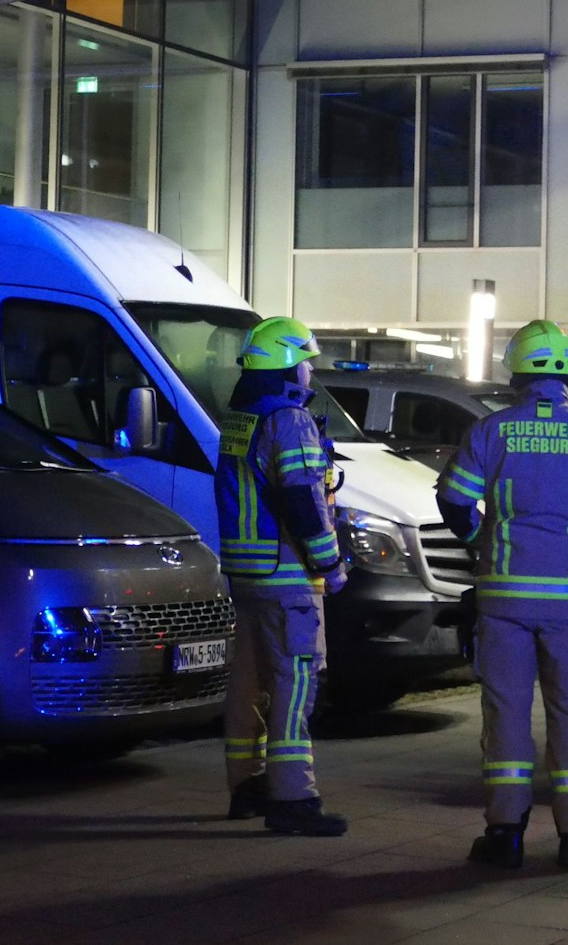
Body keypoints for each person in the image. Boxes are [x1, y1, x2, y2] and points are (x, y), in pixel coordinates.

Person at [437, 320, 568, 869]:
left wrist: (479, 538)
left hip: (503, 598)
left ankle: (504, 833)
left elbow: (455, 500)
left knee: (505, 712)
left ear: (516, 372)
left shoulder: (492, 431)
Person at [216, 316, 349, 837]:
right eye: (306, 360)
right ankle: (293, 800)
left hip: (245, 573)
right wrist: (329, 565)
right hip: (286, 574)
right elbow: (301, 498)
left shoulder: (240, 417)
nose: (311, 369)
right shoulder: (290, 420)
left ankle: (245, 787)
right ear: (288, 365)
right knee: (294, 687)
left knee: (247, 683)